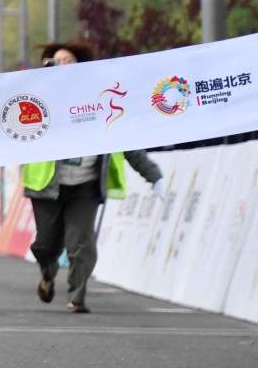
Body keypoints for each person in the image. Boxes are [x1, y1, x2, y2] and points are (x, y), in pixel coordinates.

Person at [22, 41, 163, 314]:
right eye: (56, 61)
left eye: (69, 61)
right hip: (46, 185)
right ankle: (48, 273)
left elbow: (128, 142)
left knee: (81, 243)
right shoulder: (35, 97)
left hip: (85, 185)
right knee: (45, 244)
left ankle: (77, 295)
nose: (63, 65)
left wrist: (153, 175)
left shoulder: (101, 100)